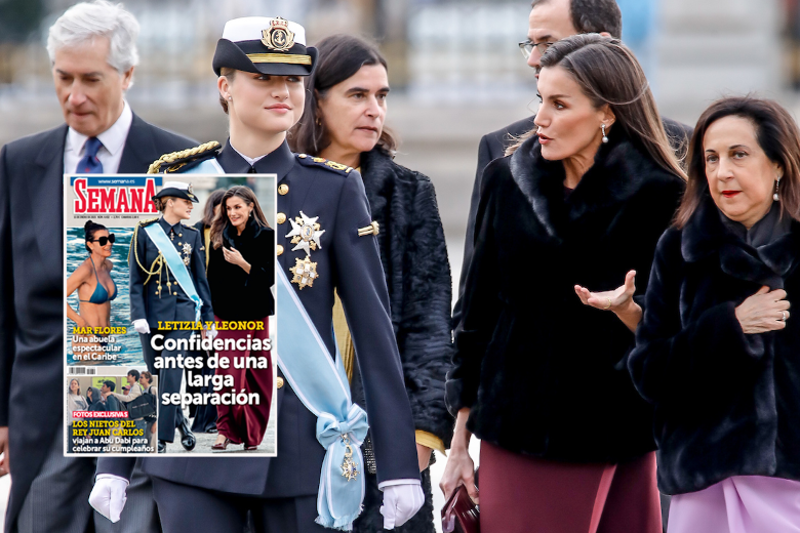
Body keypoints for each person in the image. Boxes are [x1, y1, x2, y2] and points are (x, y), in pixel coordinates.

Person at [91, 16, 424, 533]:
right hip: (195, 444)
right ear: (225, 86)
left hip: (297, 443)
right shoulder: (172, 182)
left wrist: (399, 469)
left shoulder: (334, 190)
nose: (283, 92)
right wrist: (111, 461)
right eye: (264, 79)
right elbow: (139, 326)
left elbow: (374, 335)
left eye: (292, 80)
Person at [441, 34, 687, 533]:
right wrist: (459, 442)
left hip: (623, 431)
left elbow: (678, 336)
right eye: (540, 100)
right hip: (519, 432)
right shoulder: (504, 180)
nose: (539, 119)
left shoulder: (664, 198)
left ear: (606, 113)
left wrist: (628, 310)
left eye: (559, 104)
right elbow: (475, 320)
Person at [0, 1, 195, 532]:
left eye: (90, 78)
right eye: (63, 78)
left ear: (128, 74)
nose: (74, 95)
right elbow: (3, 299)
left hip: (140, 406)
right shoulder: (17, 162)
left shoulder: (179, 165)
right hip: (43, 414)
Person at [288, 34, 453, 533]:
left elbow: (430, 319)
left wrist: (422, 434)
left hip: (384, 436)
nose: (374, 110)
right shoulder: (271, 189)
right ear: (314, 100)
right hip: (292, 428)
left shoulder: (408, 192)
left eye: (382, 96)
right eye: (357, 95)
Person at [454, 0, 692, 328]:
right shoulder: (502, 156)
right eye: (531, 45)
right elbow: (474, 303)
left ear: (601, 43)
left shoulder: (679, 155)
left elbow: (689, 308)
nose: (534, 59)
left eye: (549, 44)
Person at [628, 96, 800, 532]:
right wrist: (730, 326)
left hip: (791, 482)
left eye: (739, 155)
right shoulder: (679, 249)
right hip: (704, 479)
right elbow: (649, 371)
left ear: (779, 163)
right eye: (711, 158)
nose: (722, 171)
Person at [128, 181, 214, 452]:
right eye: (185, 201)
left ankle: (162, 438)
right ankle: (183, 425)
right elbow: (135, 279)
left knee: (173, 369)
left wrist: (207, 320)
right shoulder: (144, 232)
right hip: (151, 316)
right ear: (168, 202)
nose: (191, 206)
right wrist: (137, 314)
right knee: (157, 373)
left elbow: (201, 280)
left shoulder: (193, 236)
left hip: (182, 314)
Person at [206, 185, 275, 451]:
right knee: (228, 373)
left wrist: (243, 263)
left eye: (237, 207)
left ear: (250, 206)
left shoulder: (267, 236)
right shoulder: (218, 235)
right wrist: (208, 318)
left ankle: (252, 434)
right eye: (228, 208)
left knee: (257, 374)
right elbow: (211, 281)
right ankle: (224, 431)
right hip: (226, 314)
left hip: (255, 313)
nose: (232, 212)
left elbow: (269, 278)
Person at [66, 220, 117, 358]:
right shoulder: (85, 270)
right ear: (90, 245)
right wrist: (79, 321)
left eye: (110, 238)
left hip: (105, 338)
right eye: (102, 241)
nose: (109, 243)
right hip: (87, 338)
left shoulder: (108, 266)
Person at [67, 379, 89, 453]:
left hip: (82, 425)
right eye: (71, 383)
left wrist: (79, 412)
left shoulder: (82, 397)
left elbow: (88, 410)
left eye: (75, 383)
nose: (73, 385)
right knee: (71, 447)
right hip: (73, 425)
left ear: (78, 386)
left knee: (81, 446)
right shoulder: (68, 396)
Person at [138, 372, 158, 452]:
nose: (140, 379)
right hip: (147, 421)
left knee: (153, 446)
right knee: (147, 445)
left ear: (147, 379)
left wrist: (155, 423)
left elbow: (159, 407)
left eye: (141, 377)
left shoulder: (153, 390)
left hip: (153, 421)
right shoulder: (143, 392)